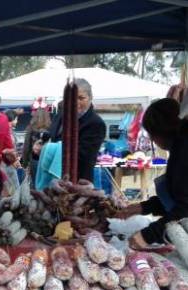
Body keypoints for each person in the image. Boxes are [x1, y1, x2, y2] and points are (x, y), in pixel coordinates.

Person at [116, 98, 188, 248]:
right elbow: (178, 197)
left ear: (158, 133)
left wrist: (147, 236)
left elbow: (184, 208)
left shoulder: (183, 151)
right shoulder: (179, 146)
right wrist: (143, 207)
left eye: (152, 136)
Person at [48, 78, 106, 182]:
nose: (75, 102)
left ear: (90, 98)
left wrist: (52, 149)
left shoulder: (96, 123)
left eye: (81, 98)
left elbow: (84, 157)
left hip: (78, 184)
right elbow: (50, 138)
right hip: (52, 181)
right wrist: (40, 148)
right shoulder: (59, 116)